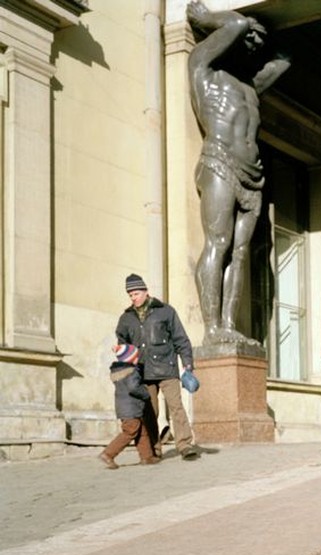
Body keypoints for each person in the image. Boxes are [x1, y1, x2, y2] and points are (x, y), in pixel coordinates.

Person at [187, 0, 290, 346]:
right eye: (248, 35)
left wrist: (261, 29)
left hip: (253, 172)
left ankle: (229, 325)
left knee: (241, 251)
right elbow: (232, 27)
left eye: (259, 38)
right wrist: (216, 18)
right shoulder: (204, 68)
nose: (253, 42)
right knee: (218, 243)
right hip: (219, 161)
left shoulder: (250, 87)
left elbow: (285, 60)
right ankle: (212, 328)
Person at [116, 274, 200, 461]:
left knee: (176, 407)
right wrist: (122, 357)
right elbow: (123, 345)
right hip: (143, 372)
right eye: (130, 295)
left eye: (136, 293)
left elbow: (181, 340)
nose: (133, 297)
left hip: (167, 369)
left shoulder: (166, 311)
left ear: (145, 292)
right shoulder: (126, 318)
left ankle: (185, 445)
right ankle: (154, 448)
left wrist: (187, 365)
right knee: (149, 411)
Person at [98, 344, 159, 469]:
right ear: (131, 358)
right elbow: (133, 387)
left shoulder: (119, 372)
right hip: (131, 408)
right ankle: (108, 454)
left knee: (142, 431)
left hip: (127, 408)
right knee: (130, 431)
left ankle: (146, 457)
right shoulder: (132, 372)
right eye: (136, 356)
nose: (137, 358)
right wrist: (146, 393)